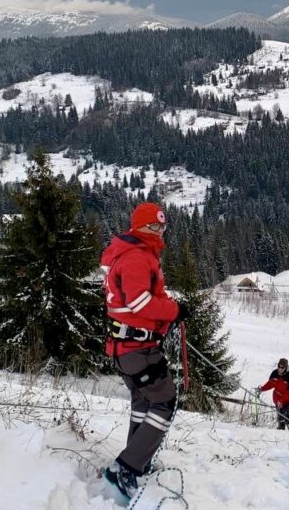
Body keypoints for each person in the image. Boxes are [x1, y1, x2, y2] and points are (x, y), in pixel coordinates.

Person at [100, 202, 190, 500]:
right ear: (139, 227)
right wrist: (175, 310)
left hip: (129, 346)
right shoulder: (136, 258)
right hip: (136, 348)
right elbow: (140, 303)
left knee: (142, 401)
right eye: (154, 226)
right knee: (164, 402)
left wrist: (165, 319)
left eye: (162, 226)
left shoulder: (133, 254)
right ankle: (127, 467)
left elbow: (137, 304)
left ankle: (134, 460)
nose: (159, 231)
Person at [257, 358, 289, 431]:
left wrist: (281, 400)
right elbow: (270, 384)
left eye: (282, 367)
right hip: (278, 401)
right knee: (281, 420)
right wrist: (262, 389)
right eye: (279, 366)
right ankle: (280, 435)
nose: (280, 369)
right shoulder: (275, 373)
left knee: (288, 420)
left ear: (286, 367)